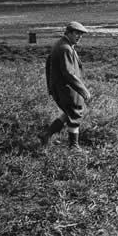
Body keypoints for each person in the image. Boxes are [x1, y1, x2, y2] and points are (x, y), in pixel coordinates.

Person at [38, 21, 91, 152]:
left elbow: (49, 66)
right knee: (75, 112)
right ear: (68, 33)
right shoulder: (64, 48)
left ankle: (46, 134)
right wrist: (83, 90)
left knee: (70, 112)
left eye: (81, 35)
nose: (79, 37)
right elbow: (69, 73)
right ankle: (73, 147)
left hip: (63, 87)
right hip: (65, 88)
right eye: (77, 33)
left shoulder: (64, 45)